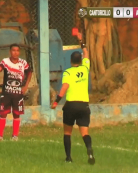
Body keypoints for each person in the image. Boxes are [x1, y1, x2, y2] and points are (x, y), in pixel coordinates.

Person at [51, 31, 95, 165]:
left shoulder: (68, 72)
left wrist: (56, 101)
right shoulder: (85, 68)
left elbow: (64, 87)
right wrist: (81, 41)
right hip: (84, 105)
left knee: (67, 133)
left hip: (71, 105)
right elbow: (86, 53)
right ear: (81, 61)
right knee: (84, 132)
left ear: (70, 61)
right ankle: (89, 150)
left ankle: (68, 158)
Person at [0, 43, 32, 141]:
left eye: (17, 51)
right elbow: (0, 68)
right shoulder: (5, 61)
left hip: (18, 94)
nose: (15, 53)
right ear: (10, 52)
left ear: (19, 52)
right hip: (7, 93)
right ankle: (0, 136)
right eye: (13, 50)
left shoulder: (23, 63)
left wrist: (26, 86)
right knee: (3, 113)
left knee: (16, 114)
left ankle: (15, 136)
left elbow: (29, 72)